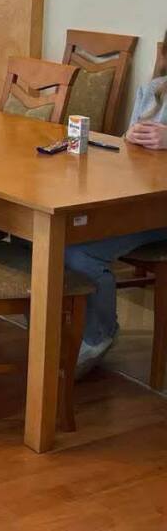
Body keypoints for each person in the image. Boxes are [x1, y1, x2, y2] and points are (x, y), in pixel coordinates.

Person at [65, 57, 167, 378]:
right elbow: (126, 152)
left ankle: (98, 335)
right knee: (57, 234)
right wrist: (129, 136)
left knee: (80, 250)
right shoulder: (152, 90)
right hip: (136, 199)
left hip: (160, 209)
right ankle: (57, 326)